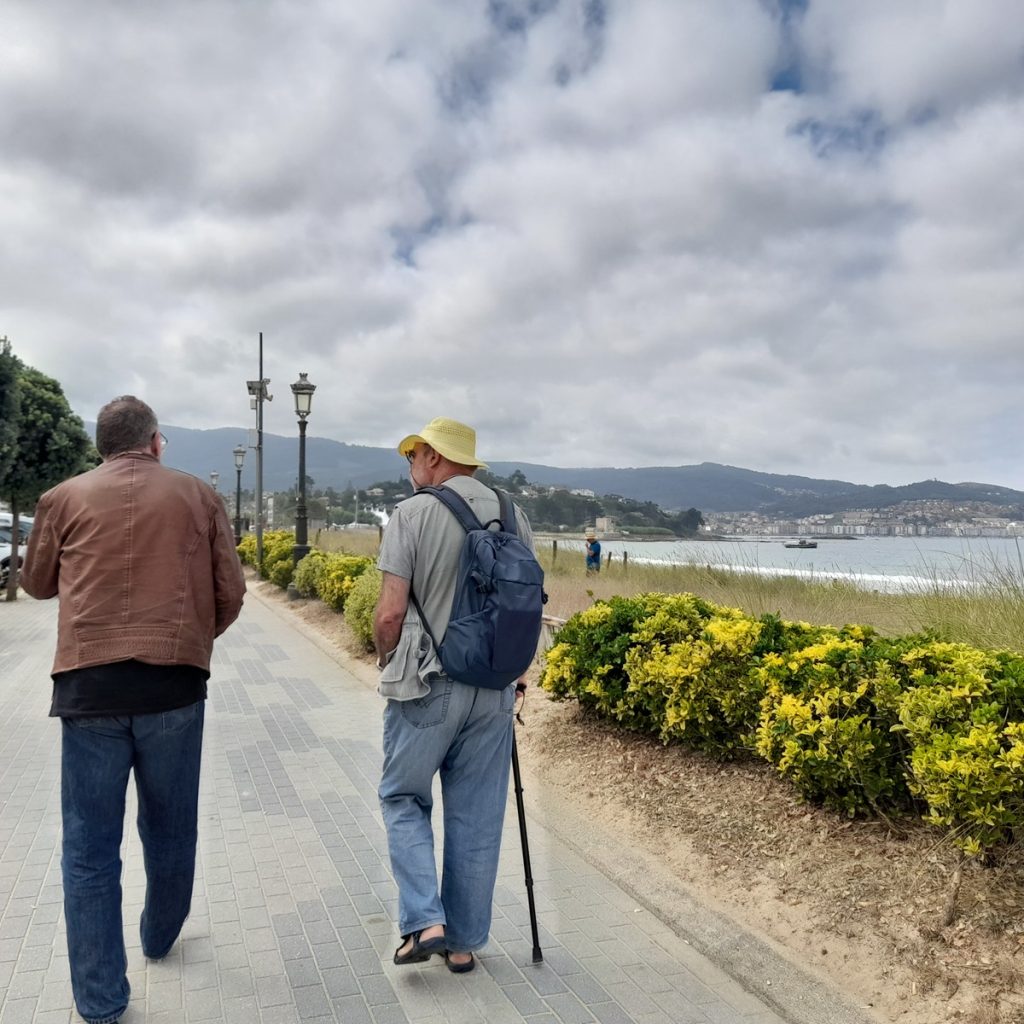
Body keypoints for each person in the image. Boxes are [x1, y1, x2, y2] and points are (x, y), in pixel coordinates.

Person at [21, 395, 246, 1024]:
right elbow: (231, 593)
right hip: (173, 688)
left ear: (101, 446)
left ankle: (100, 1003)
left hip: (87, 692)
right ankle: (158, 935)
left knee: (88, 849)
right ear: (153, 441)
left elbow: (37, 584)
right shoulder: (199, 497)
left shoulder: (62, 498)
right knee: (171, 827)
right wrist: (188, 644)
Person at [373, 416, 533, 974]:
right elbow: (525, 606)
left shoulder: (411, 514)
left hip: (427, 686)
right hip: (493, 690)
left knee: (402, 798)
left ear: (434, 457)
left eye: (413, 455)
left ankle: (424, 923)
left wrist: (385, 658)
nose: (411, 466)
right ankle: (462, 943)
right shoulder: (516, 515)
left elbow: (391, 611)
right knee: (476, 814)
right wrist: (516, 674)